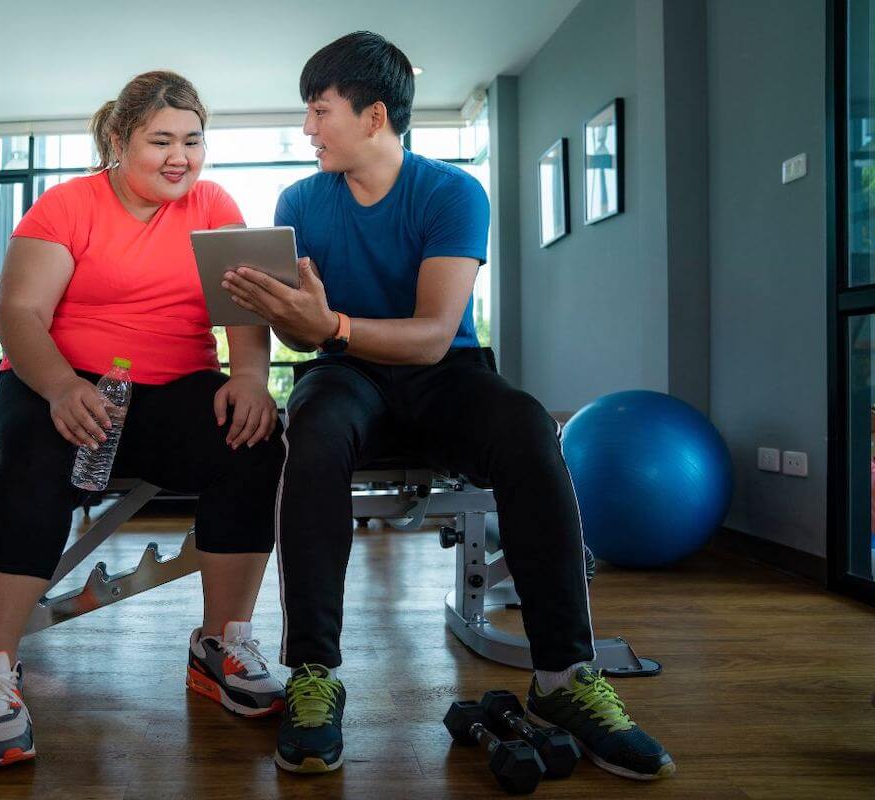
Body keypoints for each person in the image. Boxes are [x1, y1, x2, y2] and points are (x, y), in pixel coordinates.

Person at [222, 32, 676, 781]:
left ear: (373, 117)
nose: (307, 129)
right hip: (345, 378)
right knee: (316, 423)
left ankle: (565, 677)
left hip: (443, 373)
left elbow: (434, 335)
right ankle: (313, 673)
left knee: (528, 426)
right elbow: (301, 322)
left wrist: (329, 325)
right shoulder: (301, 200)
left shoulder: (450, 192)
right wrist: (281, 315)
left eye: (319, 110)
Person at [0, 70, 286, 768]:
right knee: (36, 461)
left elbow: (244, 309)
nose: (180, 157)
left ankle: (220, 645)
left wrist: (252, 379)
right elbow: (17, 313)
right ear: (118, 138)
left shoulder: (214, 202)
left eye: (193, 141)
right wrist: (55, 387)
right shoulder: (66, 205)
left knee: (253, 441)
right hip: (62, 379)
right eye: (160, 140)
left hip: (175, 386)